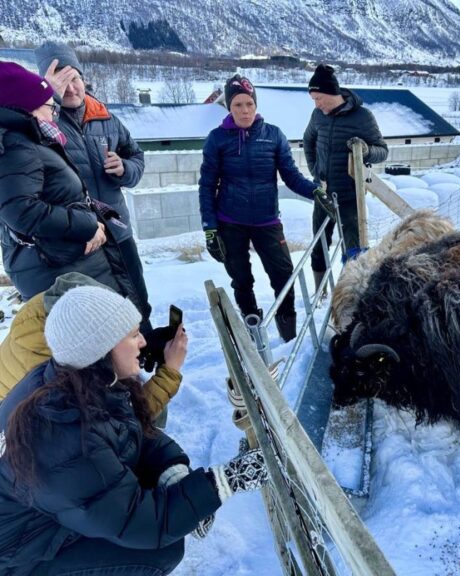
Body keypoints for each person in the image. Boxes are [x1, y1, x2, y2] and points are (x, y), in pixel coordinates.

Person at [0, 285, 268, 575]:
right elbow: (145, 524)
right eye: (132, 335)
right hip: (20, 554)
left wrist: (172, 471)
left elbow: (128, 429)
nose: (143, 341)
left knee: (155, 496)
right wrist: (226, 481)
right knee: (160, 550)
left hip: (49, 513)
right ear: (100, 349)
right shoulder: (62, 435)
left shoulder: (76, 378)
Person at [35, 42, 152, 333]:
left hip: (117, 228)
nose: (72, 88)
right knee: (101, 312)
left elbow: (136, 156)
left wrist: (125, 168)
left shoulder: (106, 117)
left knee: (137, 297)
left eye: (75, 78)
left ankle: (146, 349)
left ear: (84, 78)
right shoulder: (42, 121)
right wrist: (45, 97)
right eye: (62, 82)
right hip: (82, 240)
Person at [199, 74, 319, 342]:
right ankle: (253, 327)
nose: (245, 111)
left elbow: (291, 176)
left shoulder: (273, 135)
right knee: (241, 280)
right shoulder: (217, 139)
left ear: (256, 105)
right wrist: (209, 228)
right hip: (230, 221)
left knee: (284, 277)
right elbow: (207, 186)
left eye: (249, 104)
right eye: (238, 105)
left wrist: (317, 193)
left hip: (267, 221)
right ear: (229, 107)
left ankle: (288, 334)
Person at [0, 61, 132, 303]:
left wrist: (125, 170)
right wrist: (87, 224)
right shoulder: (16, 145)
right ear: (29, 107)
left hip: (73, 264)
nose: (54, 113)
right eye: (50, 105)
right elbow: (21, 211)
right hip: (60, 271)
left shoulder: (28, 141)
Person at [0, 272, 184, 421]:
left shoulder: (58, 309)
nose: (141, 340)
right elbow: (122, 423)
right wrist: (170, 372)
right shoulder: (56, 370)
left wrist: (137, 344)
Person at [303, 64, 388, 290]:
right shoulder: (317, 115)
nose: (316, 104)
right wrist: (314, 170)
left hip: (350, 197)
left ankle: (351, 291)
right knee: (319, 246)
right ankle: (319, 294)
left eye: (319, 98)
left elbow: (383, 150)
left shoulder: (363, 117)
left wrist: (366, 151)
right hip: (323, 194)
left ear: (332, 94)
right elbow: (308, 141)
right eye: (313, 99)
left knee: (354, 250)